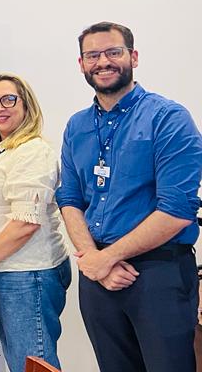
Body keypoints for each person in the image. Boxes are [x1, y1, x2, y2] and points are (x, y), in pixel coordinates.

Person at [57, 21, 202, 372]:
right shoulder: (76, 126)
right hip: (97, 277)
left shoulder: (168, 118)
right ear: (81, 64)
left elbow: (177, 210)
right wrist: (94, 259)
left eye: (113, 52)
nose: (102, 62)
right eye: (92, 55)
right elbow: (70, 198)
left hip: (159, 275)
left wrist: (107, 258)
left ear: (133, 57)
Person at [0, 73, 70, 371]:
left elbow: (25, 222)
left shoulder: (33, 151)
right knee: (20, 360)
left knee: (32, 362)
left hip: (27, 274)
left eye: (9, 99)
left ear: (26, 105)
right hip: (0, 269)